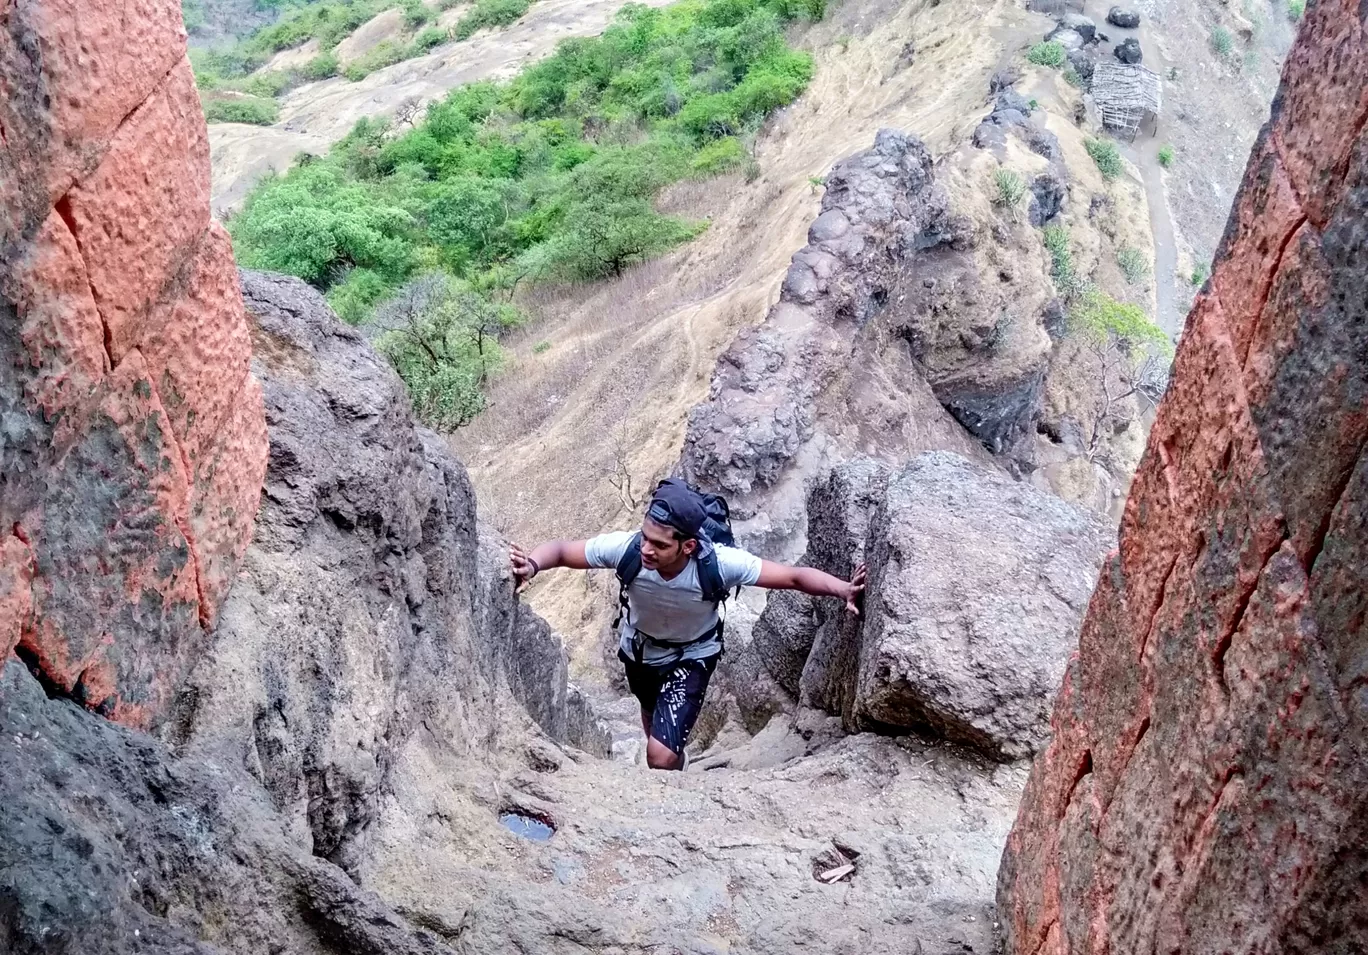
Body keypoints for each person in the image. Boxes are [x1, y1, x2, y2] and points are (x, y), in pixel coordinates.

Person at [509, 480, 866, 771]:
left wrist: (843, 589)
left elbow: (792, 577)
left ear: (689, 546)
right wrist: (533, 565)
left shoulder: (720, 564)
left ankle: (672, 777)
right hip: (640, 653)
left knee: (659, 755)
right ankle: (673, 768)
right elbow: (560, 551)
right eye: (645, 537)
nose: (647, 549)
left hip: (691, 656)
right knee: (652, 725)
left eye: (660, 544)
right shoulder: (628, 549)